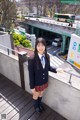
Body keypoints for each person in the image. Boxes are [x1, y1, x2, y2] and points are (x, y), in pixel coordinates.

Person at [28, 37, 63, 113]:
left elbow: (48, 67)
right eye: (38, 45)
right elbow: (31, 74)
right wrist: (32, 86)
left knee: (41, 93)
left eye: (42, 45)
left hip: (44, 81)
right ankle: (36, 106)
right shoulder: (32, 59)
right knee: (36, 95)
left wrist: (56, 69)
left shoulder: (47, 56)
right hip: (36, 83)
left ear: (45, 46)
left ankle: (39, 104)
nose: (40, 47)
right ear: (36, 47)